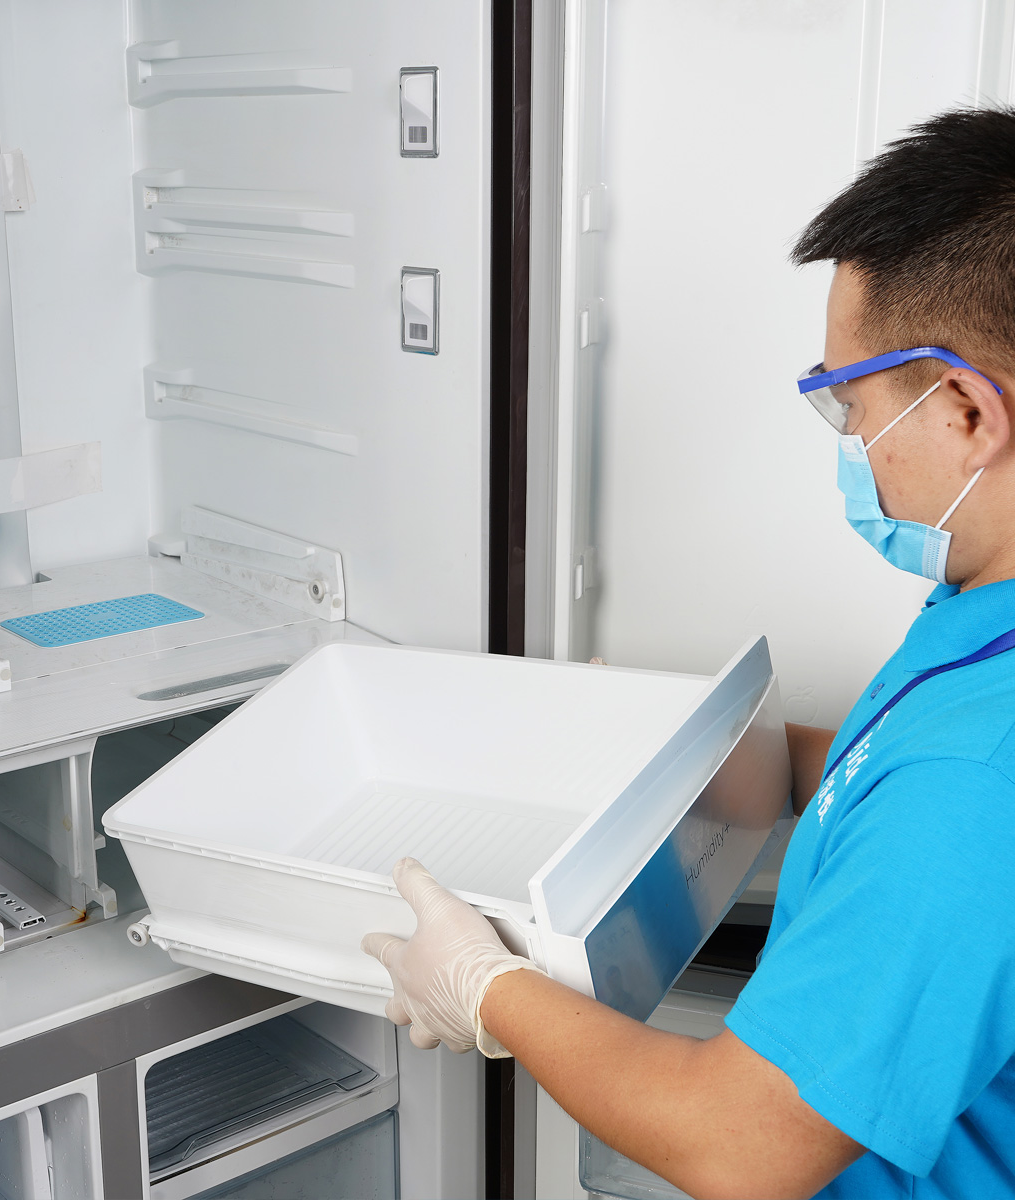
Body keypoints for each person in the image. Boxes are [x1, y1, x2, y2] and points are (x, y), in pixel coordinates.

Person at [363, 107, 1015, 1199]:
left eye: (850, 403)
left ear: (964, 411)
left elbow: (743, 1144)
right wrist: (718, 752)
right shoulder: (982, 611)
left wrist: (481, 985)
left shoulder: (975, 779)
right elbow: (900, 773)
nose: (851, 442)